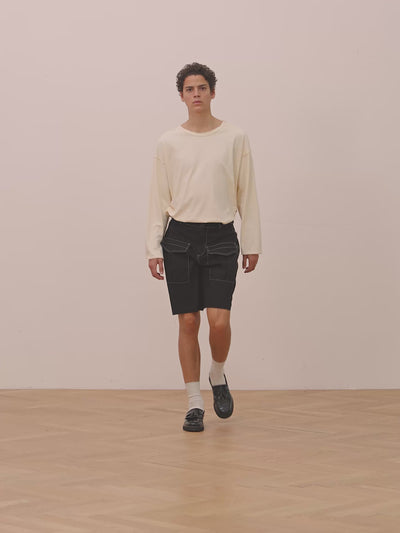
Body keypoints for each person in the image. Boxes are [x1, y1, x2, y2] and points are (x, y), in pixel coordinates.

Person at [146, 62, 261, 432]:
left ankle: (217, 373)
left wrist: (252, 242)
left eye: (202, 88)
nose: (196, 94)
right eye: (189, 89)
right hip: (179, 238)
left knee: (219, 321)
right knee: (188, 321)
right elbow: (158, 196)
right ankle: (194, 402)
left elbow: (247, 191)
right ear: (181, 96)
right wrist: (153, 247)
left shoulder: (234, 137)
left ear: (213, 92)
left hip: (222, 237)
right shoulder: (168, 142)